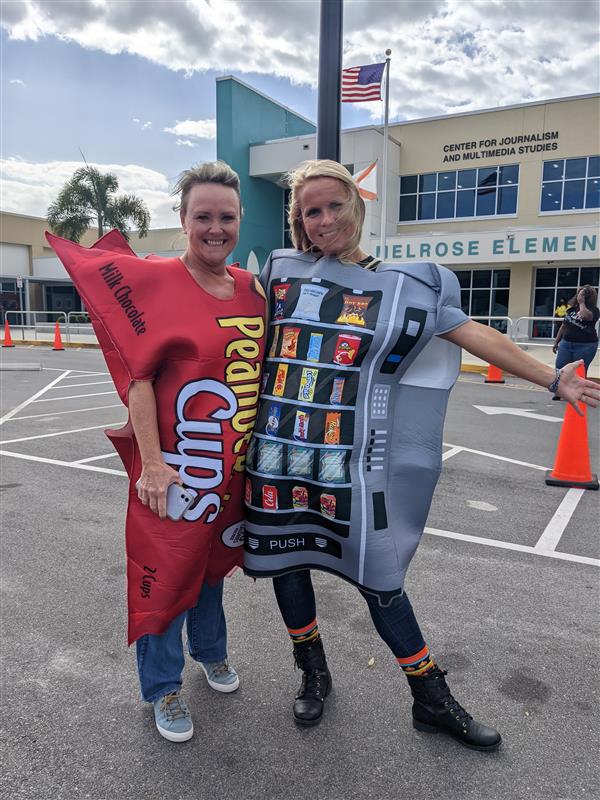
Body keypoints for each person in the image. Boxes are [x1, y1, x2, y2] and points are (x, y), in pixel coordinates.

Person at [243, 159, 600, 752]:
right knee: (287, 562)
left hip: (355, 467)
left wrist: (549, 376)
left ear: (357, 208)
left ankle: (430, 696)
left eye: (336, 205)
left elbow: (473, 332)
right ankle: (312, 668)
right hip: (279, 456)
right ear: (299, 223)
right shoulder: (279, 274)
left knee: (381, 576)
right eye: (312, 211)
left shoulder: (406, 285)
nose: (326, 218)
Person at [47, 162, 267, 743]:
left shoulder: (251, 289)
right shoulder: (159, 281)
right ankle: (163, 685)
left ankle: (211, 653)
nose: (215, 227)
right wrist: (152, 462)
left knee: (212, 569)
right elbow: (139, 380)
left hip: (228, 472)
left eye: (226, 216)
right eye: (203, 217)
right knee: (164, 574)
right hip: (171, 469)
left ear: (240, 219)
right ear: (183, 219)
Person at [552, 286, 599, 397]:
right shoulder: (571, 309)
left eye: (583, 294)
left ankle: (577, 392)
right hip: (566, 343)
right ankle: (559, 390)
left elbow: (585, 316)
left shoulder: (594, 310)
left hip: (586, 345)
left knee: (579, 370)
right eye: (579, 293)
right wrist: (556, 341)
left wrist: (582, 303)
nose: (580, 296)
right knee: (560, 367)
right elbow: (563, 326)